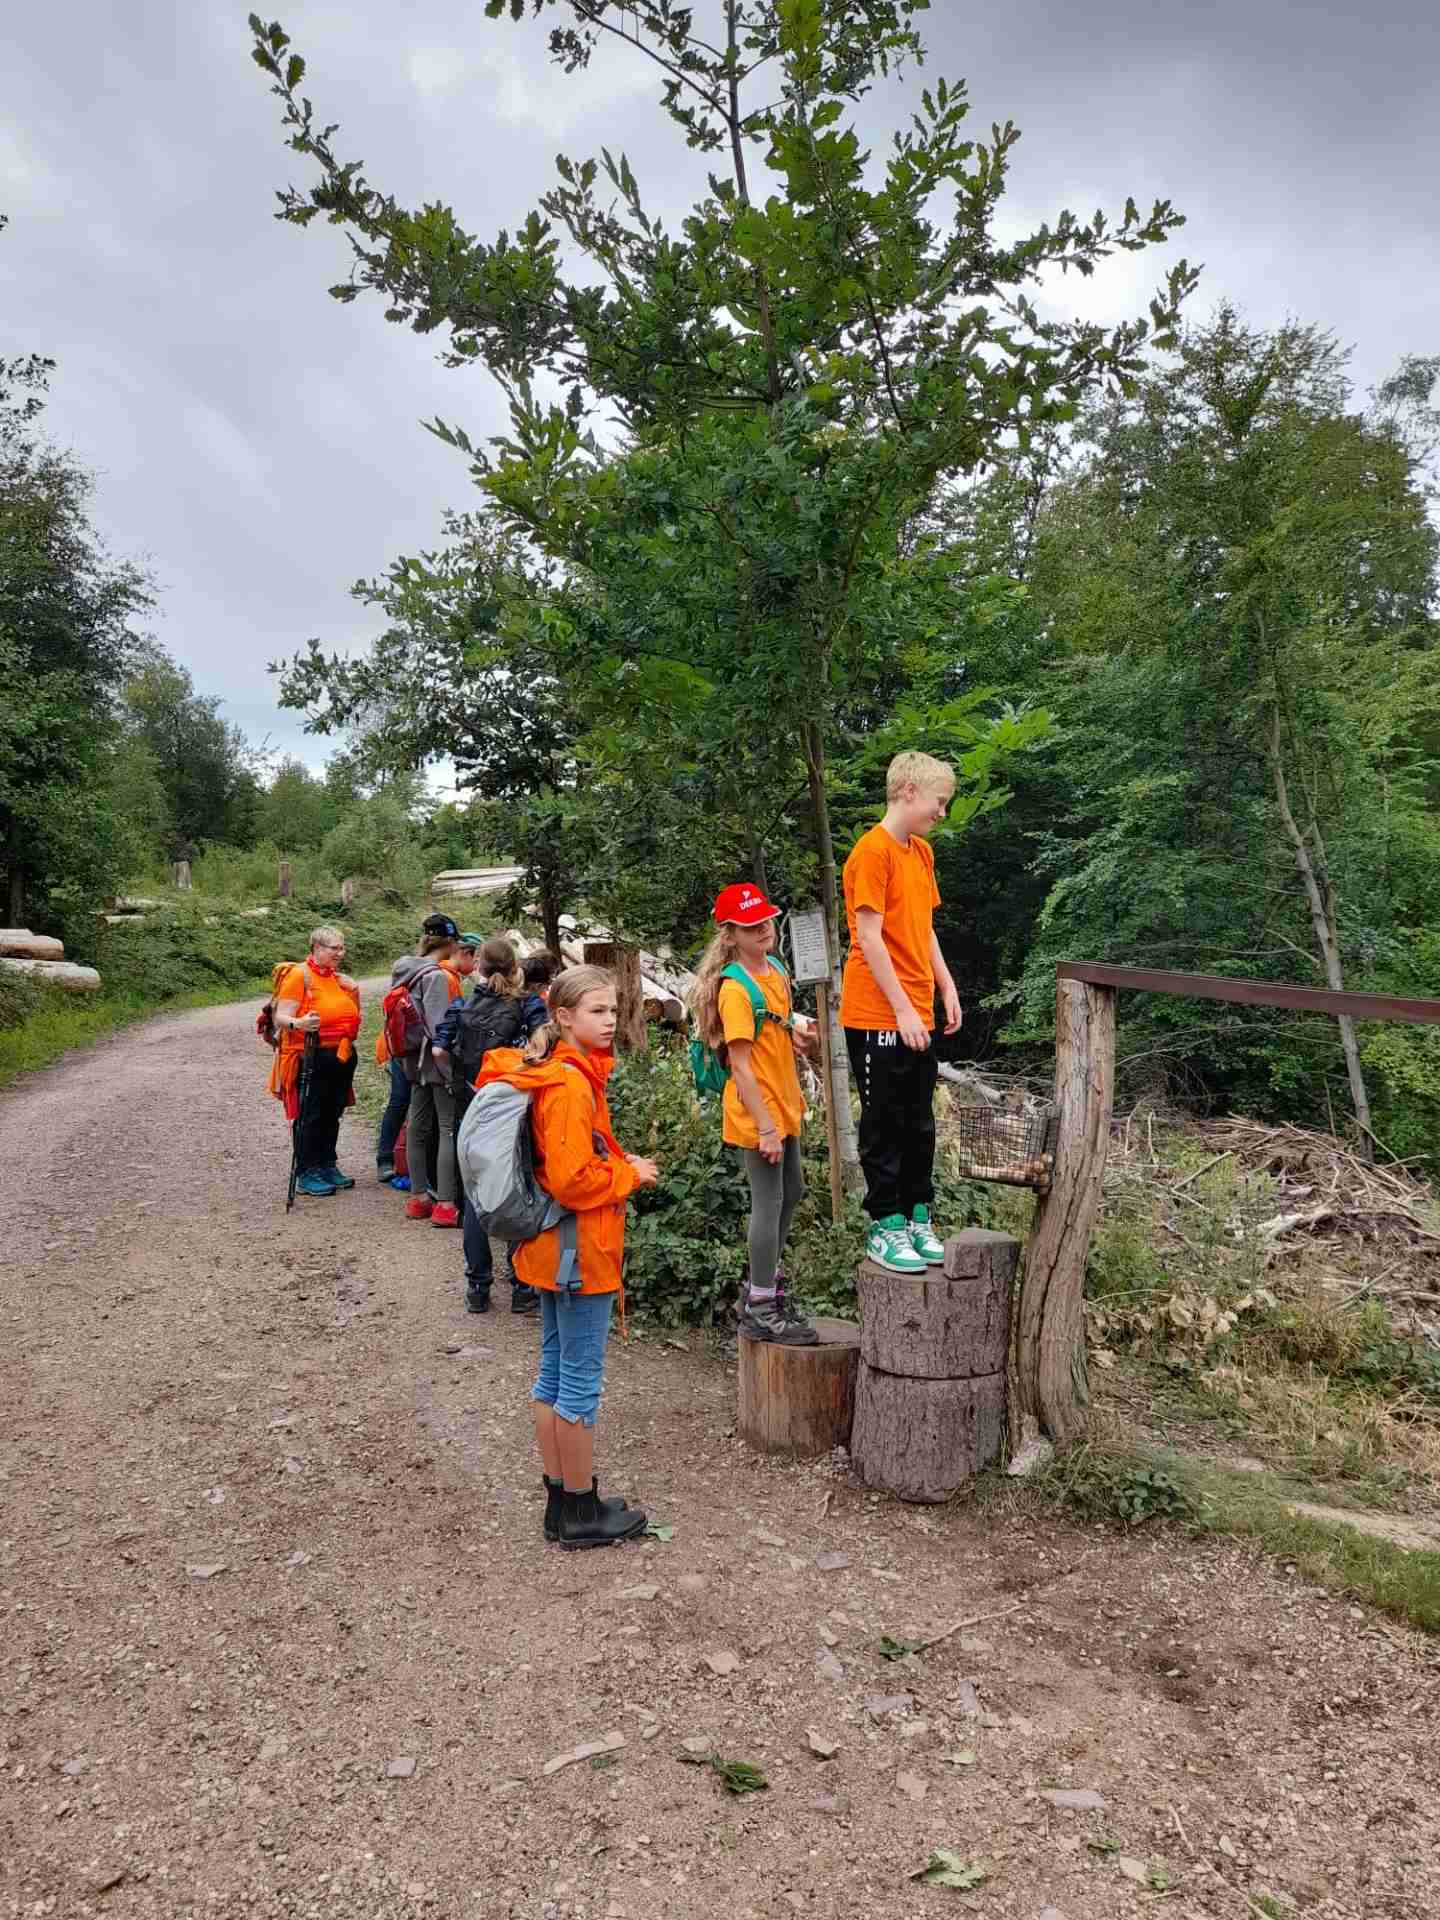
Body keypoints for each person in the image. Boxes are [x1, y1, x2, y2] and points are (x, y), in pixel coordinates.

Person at [476, 966, 658, 1549]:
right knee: (577, 1382)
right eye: (597, 1011)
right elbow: (573, 1180)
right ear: (563, 1017)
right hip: (579, 1253)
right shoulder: (571, 1085)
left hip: (554, 1250)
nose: (609, 1021)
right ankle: (580, 1511)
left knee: (554, 1375)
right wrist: (630, 1174)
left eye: (613, 1010)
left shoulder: (558, 1072)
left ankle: (561, 1502)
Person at [840, 750, 963, 1274]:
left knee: (919, 1121)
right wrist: (903, 1010)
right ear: (909, 791)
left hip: (917, 1008)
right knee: (884, 1121)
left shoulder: (922, 853)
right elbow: (870, 939)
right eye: (940, 802)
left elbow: (924, 928)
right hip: (877, 1013)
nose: (942, 813)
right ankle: (885, 1223)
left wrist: (946, 986)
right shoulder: (872, 852)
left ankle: (917, 1215)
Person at [692, 882, 819, 1345]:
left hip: (783, 1102)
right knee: (769, 1201)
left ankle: (763, 1284)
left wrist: (798, 1036)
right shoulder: (734, 989)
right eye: (750, 926)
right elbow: (741, 1066)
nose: (764, 928)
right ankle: (762, 1305)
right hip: (757, 1112)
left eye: (765, 920)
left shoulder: (776, 969)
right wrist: (765, 1128)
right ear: (731, 935)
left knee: (793, 1190)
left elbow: (775, 1029)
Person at [433, 934, 549, 1315]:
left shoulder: (461, 1005)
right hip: (515, 1110)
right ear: (515, 968)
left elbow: (439, 1048)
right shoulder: (529, 1005)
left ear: (480, 968)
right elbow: (544, 1045)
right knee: (520, 1186)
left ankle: (478, 1288)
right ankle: (522, 1286)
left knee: (475, 1193)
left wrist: (459, 1078)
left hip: (472, 1106)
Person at [269, 927, 362, 1197]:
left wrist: (353, 991)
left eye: (342, 948)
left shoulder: (337, 978)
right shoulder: (300, 975)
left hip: (340, 1054)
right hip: (310, 1054)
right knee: (311, 1114)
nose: (340, 953)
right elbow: (281, 1017)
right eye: (335, 948)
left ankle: (327, 1164)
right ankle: (307, 1172)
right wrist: (299, 1023)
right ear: (317, 948)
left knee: (333, 1112)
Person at [404, 912, 467, 1227]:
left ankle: (418, 1198)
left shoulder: (406, 970)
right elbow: (440, 1028)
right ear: (451, 942)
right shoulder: (437, 976)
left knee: (416, 1127)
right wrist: (450, 1067)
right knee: (446, 1128)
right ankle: (445, 1204)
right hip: (435, 1062)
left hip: (411, 1059)